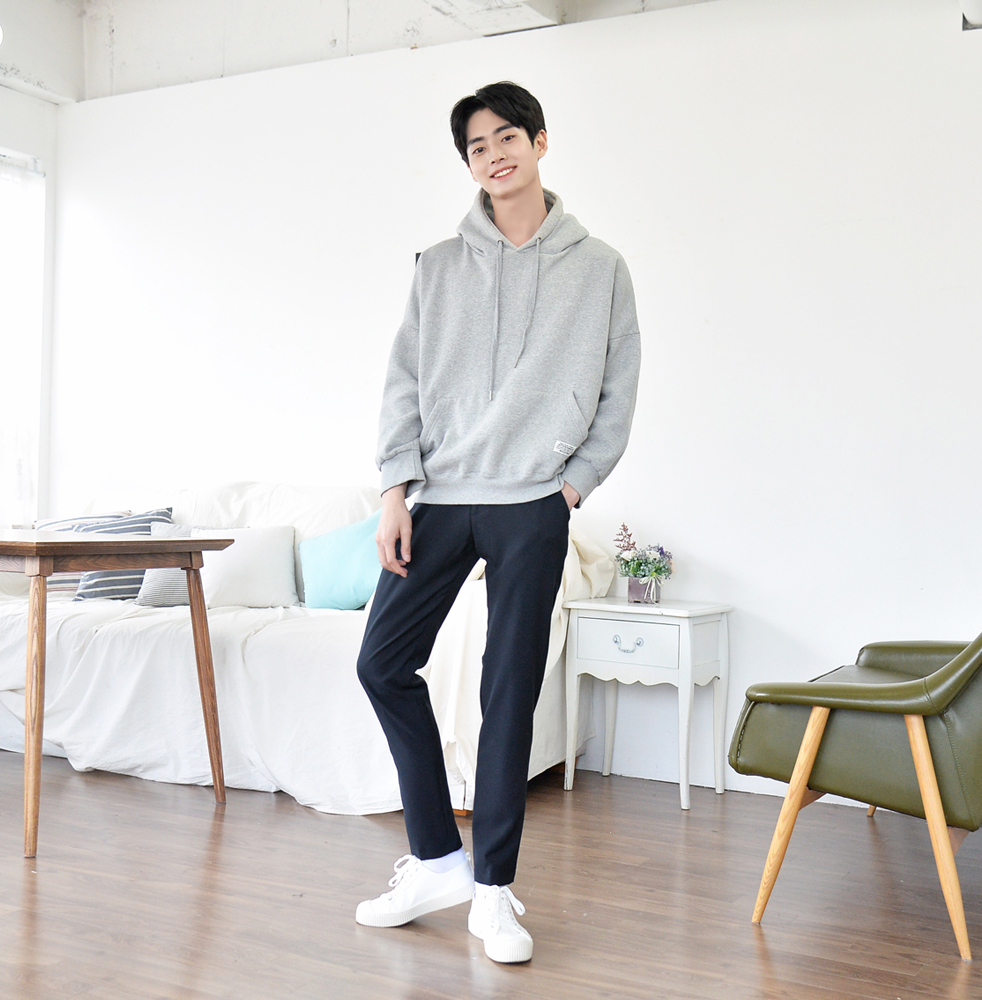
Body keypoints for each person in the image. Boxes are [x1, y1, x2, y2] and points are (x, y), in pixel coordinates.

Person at [355, 80, 641, 964]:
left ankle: (493, 891)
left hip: (532, 505)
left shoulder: (600, 267)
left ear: (540, 142)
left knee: (508, 691)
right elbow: (403, 380)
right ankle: (437, 859)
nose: (494, 155)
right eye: (477, 147)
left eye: (507, 137)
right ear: (469, 164)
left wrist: (572, 487)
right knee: (381, 663)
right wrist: (394, 490)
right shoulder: (439, 265)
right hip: (439, 498)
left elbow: (618, 389)